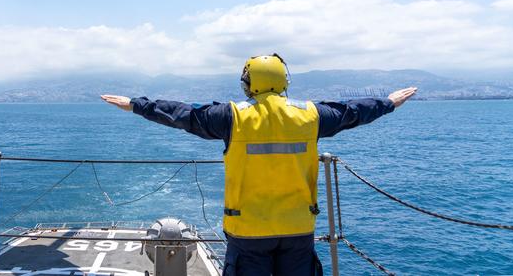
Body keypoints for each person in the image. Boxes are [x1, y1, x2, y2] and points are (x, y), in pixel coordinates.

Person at [101, 53, 417, 276]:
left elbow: (182, 114)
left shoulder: (232, 117)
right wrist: (388, 102)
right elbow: (352, 112)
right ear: (284, 81)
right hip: (297, 228)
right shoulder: (311, 115)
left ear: (248, 83)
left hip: (248, 229)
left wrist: (135, 105)